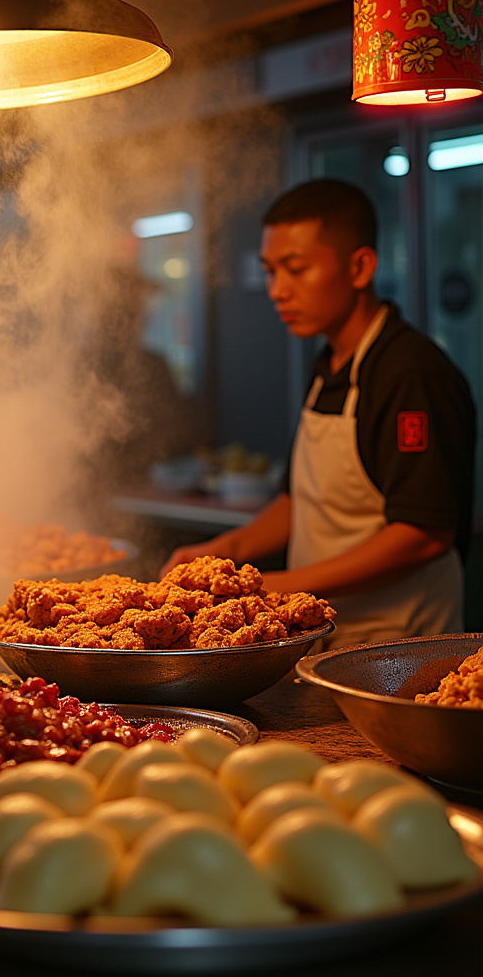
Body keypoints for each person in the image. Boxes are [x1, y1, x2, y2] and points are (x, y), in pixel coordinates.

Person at [160, 179, 476, 648]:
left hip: (398, 646)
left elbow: (423, 534)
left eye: (296, 269)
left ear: (361, 267)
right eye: (270, 271)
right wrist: (222, 554)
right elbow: (299, 501)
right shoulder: (329, 363)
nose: (277, 291)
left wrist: (268, 587)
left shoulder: (410, 374)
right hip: (328, 632)